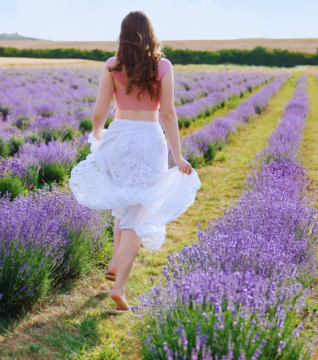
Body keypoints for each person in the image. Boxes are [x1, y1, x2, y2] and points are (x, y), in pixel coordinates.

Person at [68, 10, 200, 314]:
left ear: (123, 35)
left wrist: (98, 139)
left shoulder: (112, 66)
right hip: (149, 139)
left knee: (126, 202)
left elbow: (99, 112)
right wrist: (177, 156)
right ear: (150, 34)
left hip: (118, 136)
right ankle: (119, 289)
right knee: (138, 214)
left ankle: (115, 262)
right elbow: (167, 114)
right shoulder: (162, 66)